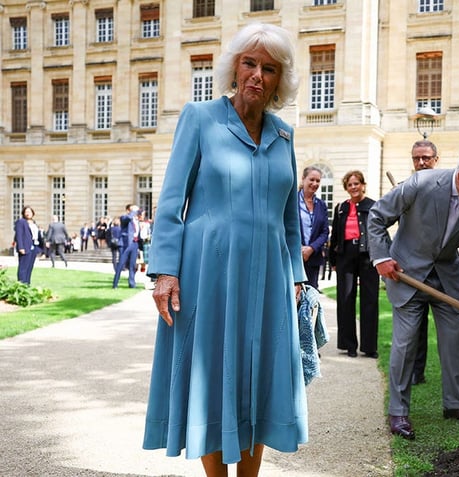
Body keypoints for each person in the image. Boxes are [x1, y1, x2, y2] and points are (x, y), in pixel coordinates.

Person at [142, 23, 307, 476]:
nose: (257, 74)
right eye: (249, 63)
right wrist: (165, 272)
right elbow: (172, 203)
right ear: (235, 67)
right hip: (207, 278)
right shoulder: (199, 118)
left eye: (268, 68)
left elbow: (289, 217)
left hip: (271, 281)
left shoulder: (285, 135)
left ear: (279, 80)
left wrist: (296, 277)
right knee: (212, 378)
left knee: (260, 380)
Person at [368, 149, 459, 440]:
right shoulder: (421, 184)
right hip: (406, 271)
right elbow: (377, 216)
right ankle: (399, 412)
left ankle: (455, 405)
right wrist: (381, 258)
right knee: (405, 343)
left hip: (446, 278)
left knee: (454, 339)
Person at [328, 170, 379, 359]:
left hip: (367, 257)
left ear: (363, 185)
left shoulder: (373, 206)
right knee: (345, 299)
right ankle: (348, 345)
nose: (353, 187)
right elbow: (334, 238)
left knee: (370, 300)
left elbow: (379, 233)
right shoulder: (341, 208)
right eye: (350, 185)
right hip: (345, 257)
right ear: (346, 188)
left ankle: (369, 346)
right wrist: (332, 261)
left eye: (356, 183)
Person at [408, 139, 440, 385]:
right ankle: (415, 372)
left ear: (435, 160)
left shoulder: (447, 190)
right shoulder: (405, 189)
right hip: (413, 271)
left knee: (450, 328)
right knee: (415, 328)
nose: (421, 162)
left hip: (441, 270)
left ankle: (454, 378)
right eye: (417, 158)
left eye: (426, 158)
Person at [298, 166, 330, 290]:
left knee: (311, 298)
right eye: (311, 179)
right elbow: (285, 227)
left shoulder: (321, 205)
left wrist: (311, 248)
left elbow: (325, 232)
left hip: (314, 258)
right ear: (303, 179)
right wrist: (300, 249)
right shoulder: (291, 201)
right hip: (295, 257)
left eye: (318, 181)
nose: (314, 183)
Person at [112, 204, 141, 289]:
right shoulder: (124, 218)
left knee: (132, 265)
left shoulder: (136, 220)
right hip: (125, 244)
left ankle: (132, 284)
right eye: (132, 209)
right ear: (128, 210)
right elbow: (128, 218)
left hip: (134, 244)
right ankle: (115, 284)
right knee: (121, 264)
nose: (135, 211)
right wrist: (133, 211)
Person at [13, 206, 39, 284]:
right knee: (23, 268)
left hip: (33, 247)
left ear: (33, 213)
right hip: (25, 247)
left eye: (29, 212)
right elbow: (19, 235)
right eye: (26, 212)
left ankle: (27, 284)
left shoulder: (34, 223)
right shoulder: (21, 222)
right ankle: (21, 285)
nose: (28, 213)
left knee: (29, 268)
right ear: (23, 213)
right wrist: (21, 247)